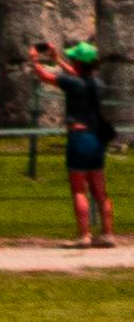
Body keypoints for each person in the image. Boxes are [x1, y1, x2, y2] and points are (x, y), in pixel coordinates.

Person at [40, 39, 115, 249]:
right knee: (100, 191)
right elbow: (79, 76)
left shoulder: (73, 83)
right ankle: (108, 234)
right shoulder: (97, 84)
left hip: (79, 138)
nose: (71, 60)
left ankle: (84, 236)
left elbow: (44, 76)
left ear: (79, 63)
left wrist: (35, 60)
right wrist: (57, 59)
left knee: (79, 190)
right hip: (96, 139)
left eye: (73, 59)